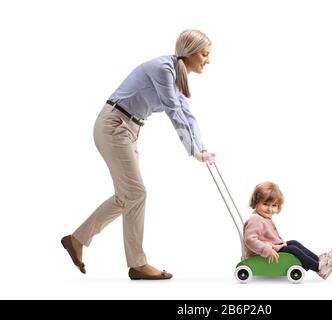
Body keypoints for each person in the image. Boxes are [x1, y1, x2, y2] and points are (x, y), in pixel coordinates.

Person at [61, 29, 216, 280]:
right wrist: (192, 151)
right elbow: (173, 110)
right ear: (189, 52)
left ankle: (77, 239)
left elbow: (187, 113)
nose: (208, 60)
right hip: (114, 125)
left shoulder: (177, 75)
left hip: (129, 129)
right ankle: (137, 264)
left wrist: (202, 148)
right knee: (136, 194)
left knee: (127, 196)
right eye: (204, 54)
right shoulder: (163, 69)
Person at [244, 182, 332, 279]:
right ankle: (318, 268)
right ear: (256, 202)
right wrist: (267, 250)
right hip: (262, 251)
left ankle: (317, 260)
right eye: (265, 204)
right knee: (292, 249)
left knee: (294, 243)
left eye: (274, 205)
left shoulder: (263, 216)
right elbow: (250, 240)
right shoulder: (255, 219)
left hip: (273, 246)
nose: (269, 209)